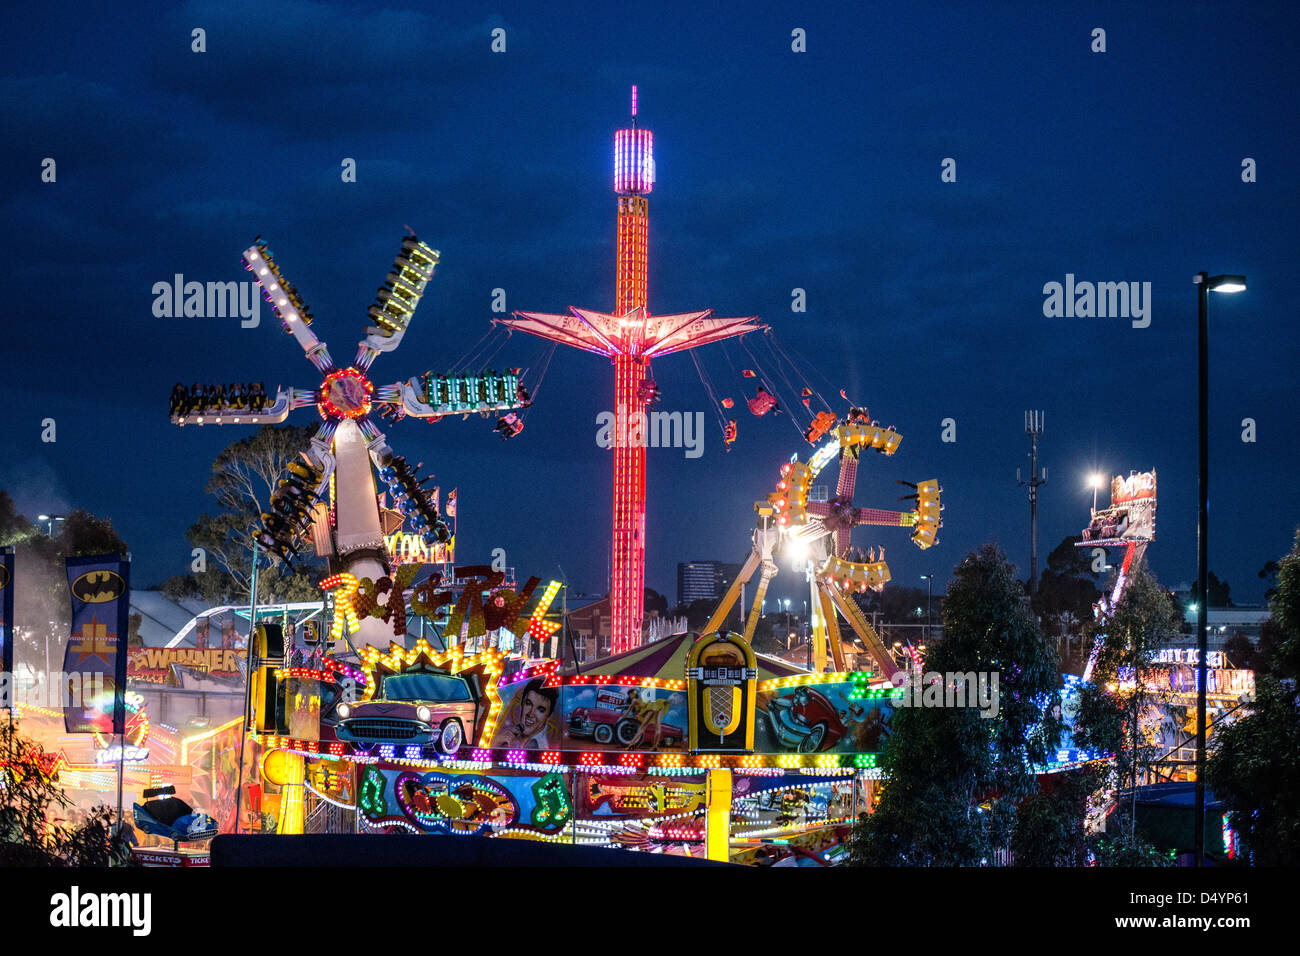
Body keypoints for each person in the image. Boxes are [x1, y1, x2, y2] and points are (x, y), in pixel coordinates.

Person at [498, 678, 556, 749]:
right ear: (522, 704)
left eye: (540, 710)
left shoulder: (537, 746)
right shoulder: (511, 735)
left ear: (548, 716)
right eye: (528, 704)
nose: (531, 714)